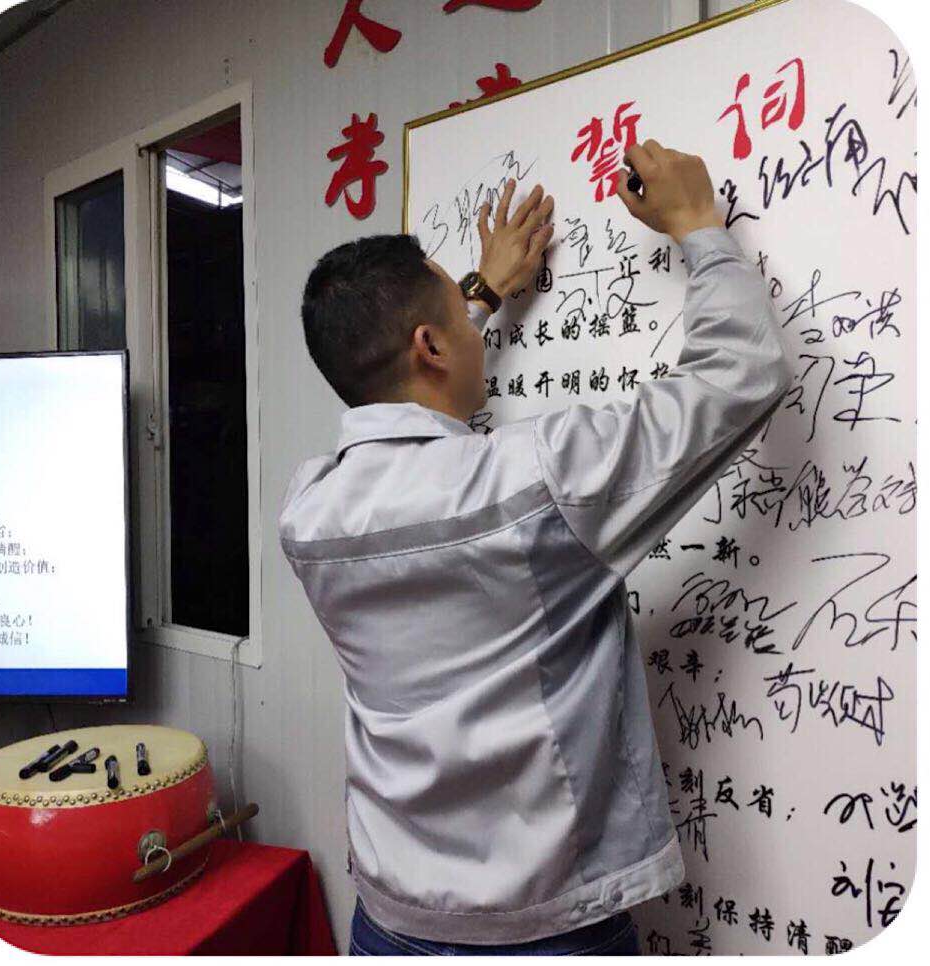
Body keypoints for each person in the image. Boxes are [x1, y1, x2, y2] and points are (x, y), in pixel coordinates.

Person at [280, 140, 789, 955]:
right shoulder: (535, 481)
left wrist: (476, 296)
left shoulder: (308, 512)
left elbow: (406, 396)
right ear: (429, 346)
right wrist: (697, 223)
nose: (471, 324)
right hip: (543, 927)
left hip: (389, 920)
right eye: (458, 316)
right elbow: (737, 378)